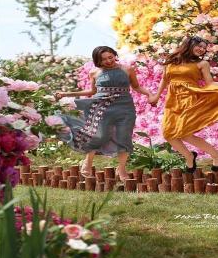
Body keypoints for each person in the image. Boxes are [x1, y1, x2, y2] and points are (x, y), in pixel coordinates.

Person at [148, 36, 218, 172]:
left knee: (185, 134)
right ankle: (189, 156)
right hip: (172, 101)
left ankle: (217, 155)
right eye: (199, 46)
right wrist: (156, 96)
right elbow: (164, 80)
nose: (202, 50)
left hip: (190, 99)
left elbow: (210, 83)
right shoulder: (170, 60)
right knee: (168, 134)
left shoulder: (202, 64)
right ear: (189, 45)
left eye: (204, 48)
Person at [55, 46, 153, 181]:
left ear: (114, 55)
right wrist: (67, 94)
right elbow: (91, 92)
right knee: (100, 135)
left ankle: (122, 168)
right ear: (98, 61)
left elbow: (136, 87)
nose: (108, 61)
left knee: (124, 137)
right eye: (104, 59)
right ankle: (88, 161)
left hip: (125, 107)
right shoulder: (94, 73)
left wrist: (149, 94)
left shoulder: (127, 69)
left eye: (110, 57)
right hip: (102, 106)